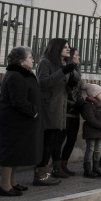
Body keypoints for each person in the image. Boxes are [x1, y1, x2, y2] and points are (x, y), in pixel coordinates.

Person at [0, 46, 42, 197]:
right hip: (14, 120)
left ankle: (13, 182)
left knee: (16, 152)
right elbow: (18, 101)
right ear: (22, 61)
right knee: (10, 153)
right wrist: (33, 111)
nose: (32, 60)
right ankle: (5, 186)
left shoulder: (23, 74)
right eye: (30, 57)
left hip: (21, 120)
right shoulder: (15, 75)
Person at [35, 38, 76, 186]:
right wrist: (63, 71)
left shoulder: (62, 63)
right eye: (65, 47)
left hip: (59, 107)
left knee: (52, 141)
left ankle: (45, 173)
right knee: (47, 141)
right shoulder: (45, 62)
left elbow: (61, 84)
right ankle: (40, 174)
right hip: (49, 107)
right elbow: (43, 83)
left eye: (68, 46)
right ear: (57, 48)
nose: (68, 49)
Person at [54, 48, 83, 177]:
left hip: (75, 110)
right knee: (59, 140)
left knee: (72, 139)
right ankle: (56, 166)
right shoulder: (66, 70)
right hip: (66, 110)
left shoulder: (77, 70)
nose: (79, 57)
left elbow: (78, 91)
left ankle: (64, 164)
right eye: (76, 55)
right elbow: (67, 89)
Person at [81, 84, 101, 178]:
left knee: (98, 150)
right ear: (95, 94)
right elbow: (90, 119)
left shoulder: (100, 104)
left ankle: (96, 168)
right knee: (90, 149)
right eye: (100, 92)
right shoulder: (88, 105)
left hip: (100, 131)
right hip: (91, 131)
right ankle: (87, 169)